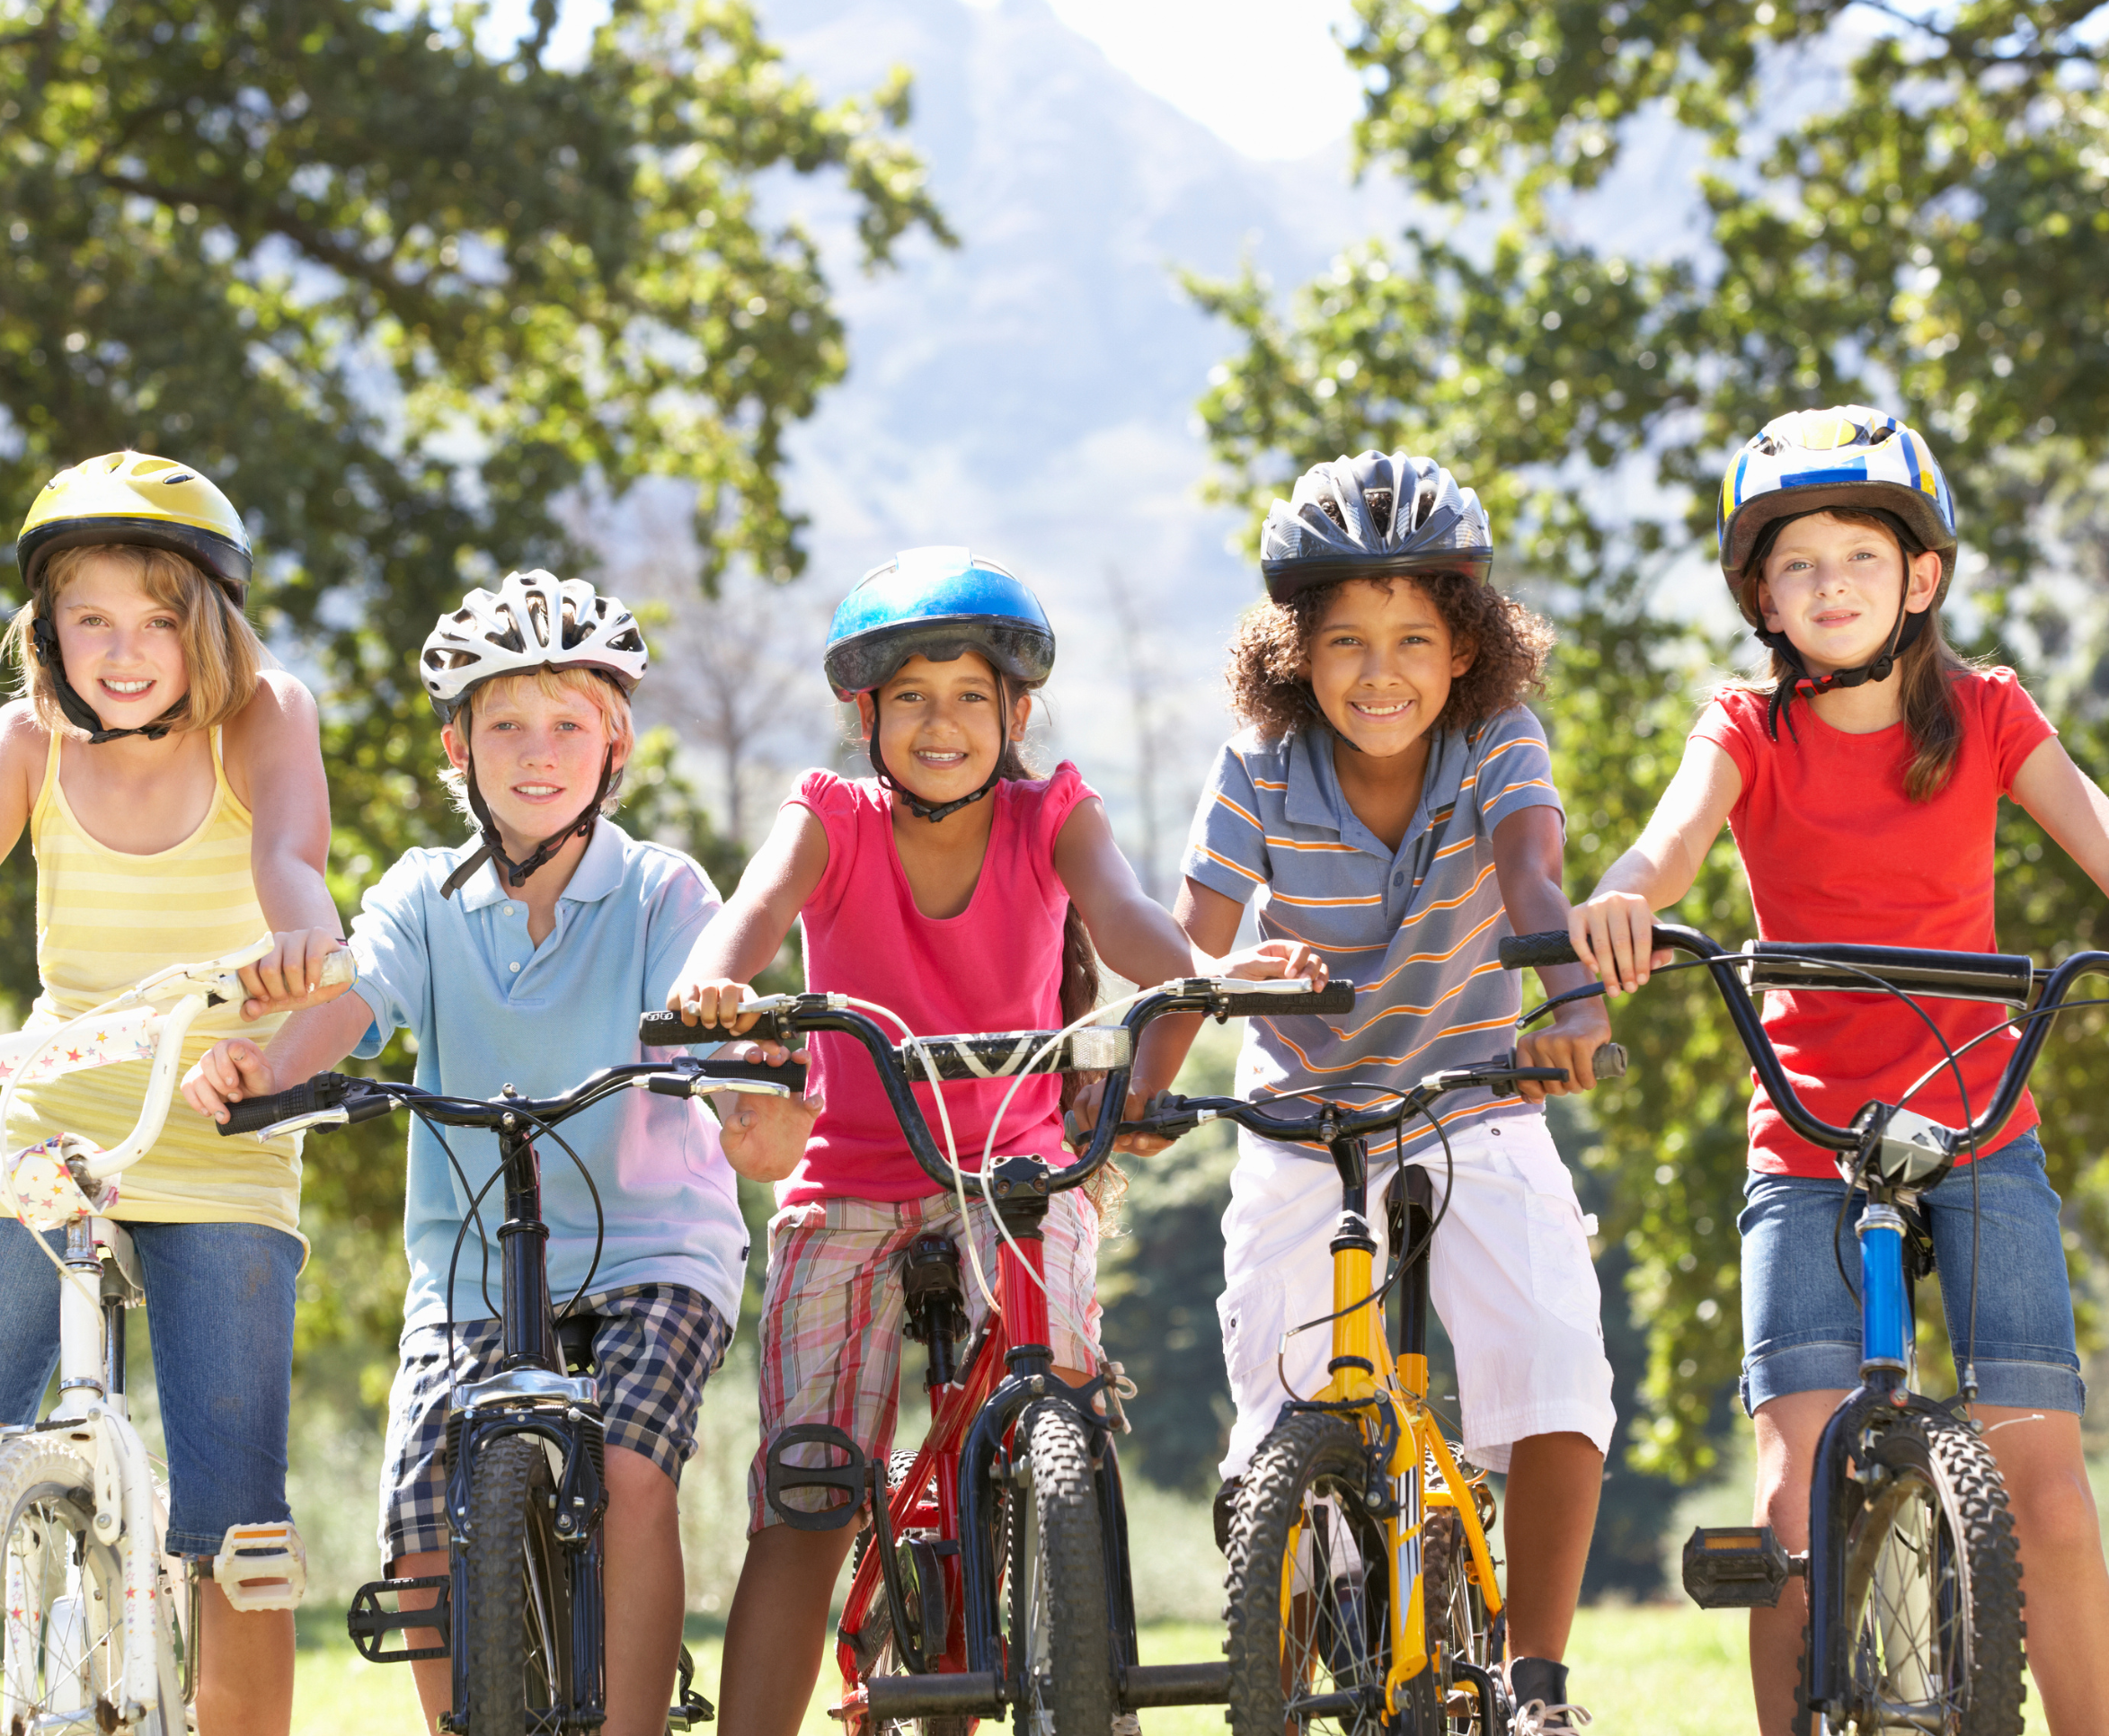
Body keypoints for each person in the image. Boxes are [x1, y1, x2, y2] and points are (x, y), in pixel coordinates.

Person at [664, 546, 1318, 1736]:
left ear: (1015, 710)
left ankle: (1063, 1629)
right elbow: (751, 914)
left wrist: (1209, 978)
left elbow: (1125, 919)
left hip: (1014, 1185)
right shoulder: (831, 819)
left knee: (1047, 1408)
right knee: (811, 1490)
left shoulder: (1050, 814)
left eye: (971, 696)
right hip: (850, 1187)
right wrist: (714, 986)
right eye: (910, 696)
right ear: (865, 713)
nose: (942, 722)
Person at [1567, 404, 2109, 1733]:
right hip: (1809, 1131)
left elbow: (2092, 824)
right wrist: (1625, 897)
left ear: (1920, 578)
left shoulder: (1984, 712)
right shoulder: (1747, 725)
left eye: (1860, 558)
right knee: (1791, 1501)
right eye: (1797, 563)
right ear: (1761, 594)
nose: (1831, 585)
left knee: (2045, 1489)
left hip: (1981, 1118)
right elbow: (1669, 840)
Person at [184, 569, 746, 1736]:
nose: (537, 752)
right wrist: (268, 1071)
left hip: (657, 1249)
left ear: (615, 742)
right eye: (505, 725)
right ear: (459, 743)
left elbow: (707, 1005)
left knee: (633, 1473)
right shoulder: (420, 895)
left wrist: (729, 1056)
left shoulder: (659, 890)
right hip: (473, 1269)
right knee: (422, 1529)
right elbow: (351, 1001)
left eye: (567, 724)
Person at [0, 451, 347, 1736]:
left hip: (216, 1123)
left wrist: (306, 954)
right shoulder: (25, 740)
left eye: (157, 620)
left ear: (211, 626)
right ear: (49, 630)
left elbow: (292, 855)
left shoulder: (267, 714)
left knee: (233, 1523)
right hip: (52, 1121)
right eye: (91, 619)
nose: (123, 651)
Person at [1176, 453, 1616, 1734]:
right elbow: (1189, 937)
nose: (1383, 672)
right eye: (1347, 641)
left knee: (1551, 1360)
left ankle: (1538, 1687)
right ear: (1291, 655)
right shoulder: (1260, 759)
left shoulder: (1495, 742)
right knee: (1279, 1435)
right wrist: (1173, 1046)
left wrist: (1573, 1013)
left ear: (1469, 648)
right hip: (1302, 1115)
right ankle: (1286, 1690)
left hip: (1474, 1093)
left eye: (1416, 637)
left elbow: (1535, 881)